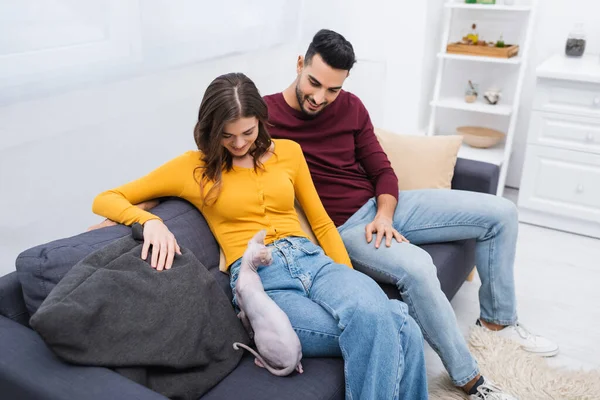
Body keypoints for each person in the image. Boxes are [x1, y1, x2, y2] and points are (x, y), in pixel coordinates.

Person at [91, 72, 428, 400]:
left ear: (260, 121)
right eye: (227, 135)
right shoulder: (192, 168)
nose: (238, 144)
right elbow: (107, 198)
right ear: (211, 130)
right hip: (263, 280)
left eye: (247, 132)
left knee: (374, 313)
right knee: (400, 325)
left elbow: (322, 224)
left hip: (315, 262)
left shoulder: (290, 153)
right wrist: (149, 222)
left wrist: (352, 284)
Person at [263, 29, 560, 399]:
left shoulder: (351, 106)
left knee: (501, 213)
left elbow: (382, 170)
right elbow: (213, 150)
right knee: (418, 267)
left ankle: (498, 320)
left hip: (384, 209)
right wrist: (162, 217)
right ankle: (471, 380)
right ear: (299, 64)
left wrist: (385, 214)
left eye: (333, 89)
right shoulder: (264, 117)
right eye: (314, 84)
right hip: (345, 228)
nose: (321, 98)